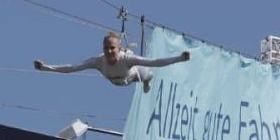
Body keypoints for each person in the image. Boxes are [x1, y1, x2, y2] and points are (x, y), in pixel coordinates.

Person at [34, 31, 190, 93]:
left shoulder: (126, 59)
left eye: (112, 48)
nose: (109, 51)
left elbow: (155, 61)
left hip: (132, 76)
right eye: (106, 47)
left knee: (148, 74)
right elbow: (72, 68)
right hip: (115, 82)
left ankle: (146, 83)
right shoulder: (98, 61)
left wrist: (180, 58)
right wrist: (45, 68)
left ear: (119, 48)